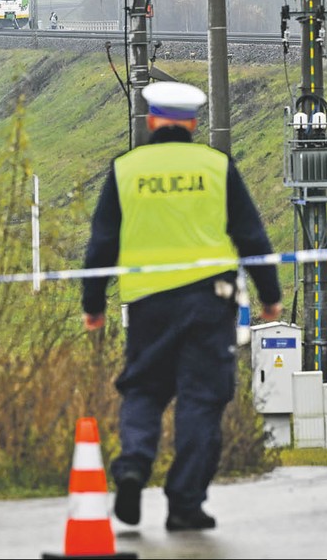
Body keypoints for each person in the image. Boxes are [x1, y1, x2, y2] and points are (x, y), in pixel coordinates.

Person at [82, 81, 283, 532]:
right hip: (208, 304)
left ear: (152, 120)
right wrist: (269, 294)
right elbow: (251, 235)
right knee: (200, 398)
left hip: (147, 303)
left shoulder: (125, 169)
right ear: (193, 123)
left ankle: (133, 464)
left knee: (144, 389)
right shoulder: (216, 166)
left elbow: (102, 244)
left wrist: (92, 304)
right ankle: (185, 503)